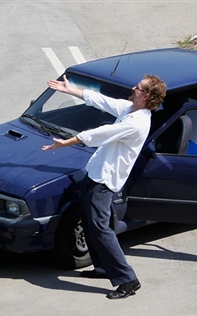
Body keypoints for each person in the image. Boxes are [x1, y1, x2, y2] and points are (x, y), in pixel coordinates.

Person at [42, 74, 166, 299]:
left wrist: (67, 142)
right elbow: (101, 100)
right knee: (91, 222)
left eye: (137, 88)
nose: (132, 87)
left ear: (146, 96)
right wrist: (70, 90)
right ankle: (102, 268)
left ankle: (128, 280)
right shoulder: (130, 109)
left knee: (100, 228)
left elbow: (101, 133)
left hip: (105, 181)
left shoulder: (136, 123)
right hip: (95, 173)